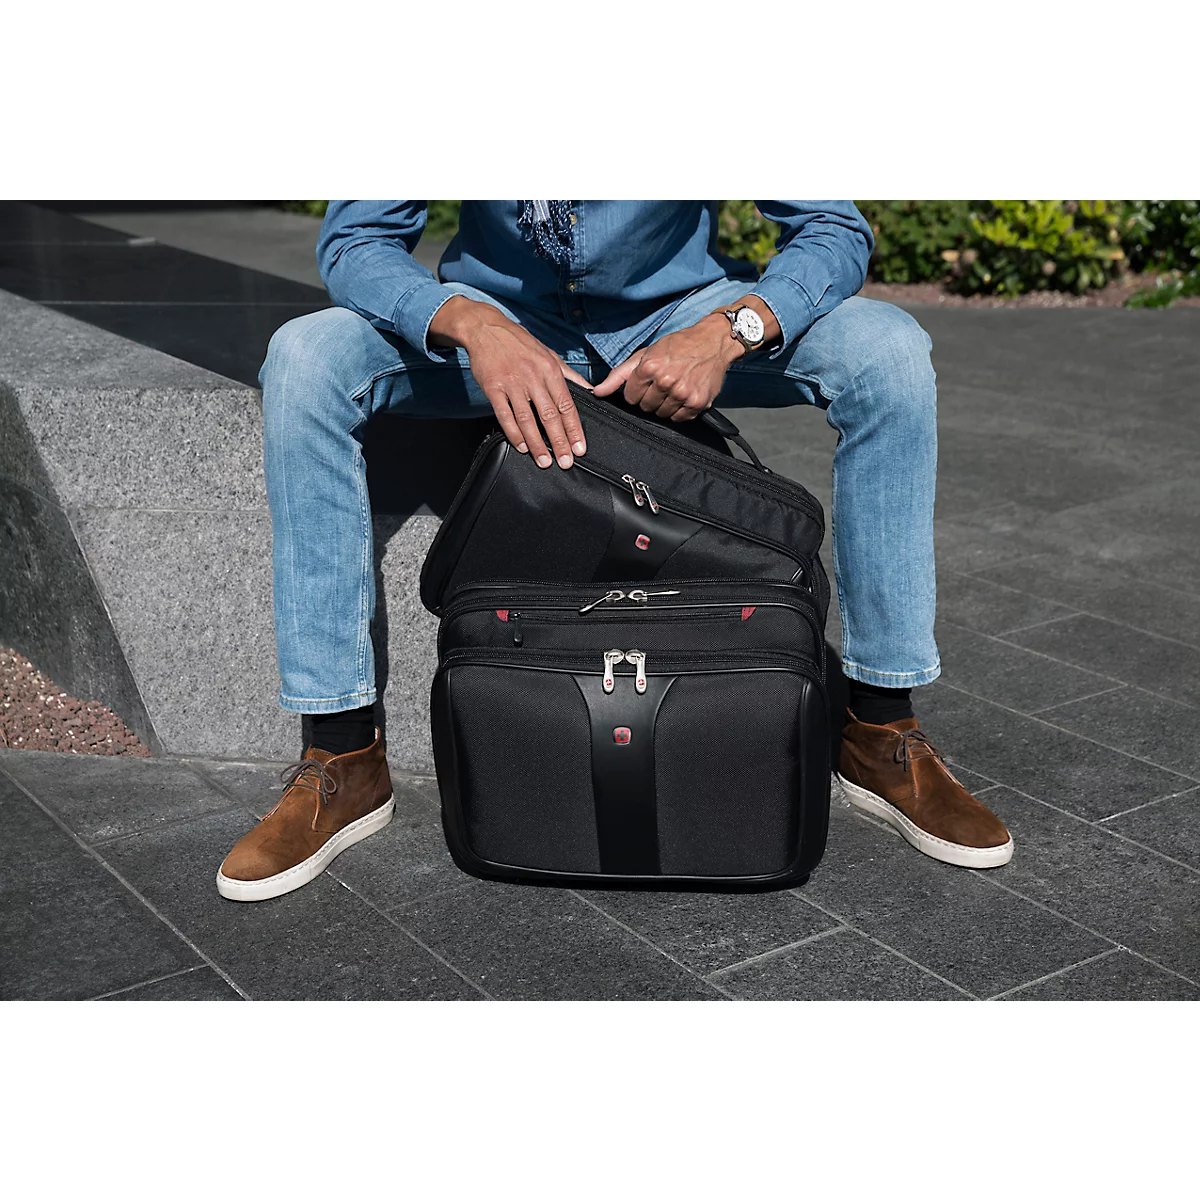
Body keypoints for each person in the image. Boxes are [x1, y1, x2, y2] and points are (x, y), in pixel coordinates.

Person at [216, 200, 1013, 902]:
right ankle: (343, 753)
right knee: (306, 359)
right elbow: (358, 239)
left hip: (683, 313)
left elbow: (832, 228)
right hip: (495, 320)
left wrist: (729, 329)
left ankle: (880, 728)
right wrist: (472, 323)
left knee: (890, 353)